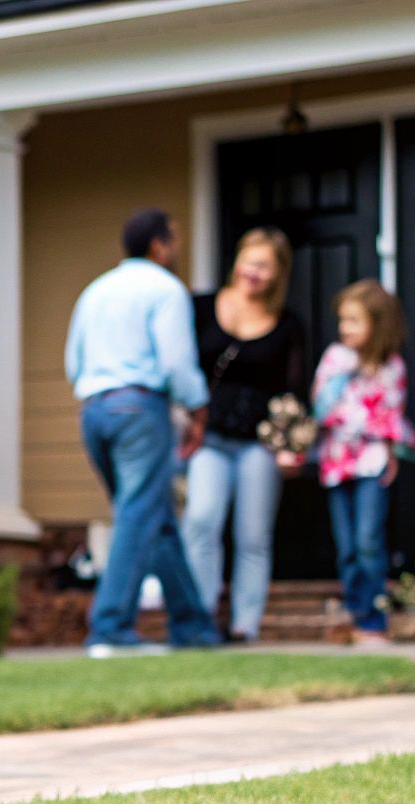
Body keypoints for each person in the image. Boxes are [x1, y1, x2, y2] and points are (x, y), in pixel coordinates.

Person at [65, 208, 224, 656]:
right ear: (159, 245)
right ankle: (110, 627)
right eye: (174, 238)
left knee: (154, 516)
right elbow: (176, 362)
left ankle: (192, 625)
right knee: (138, 514)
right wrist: (197, 408)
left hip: (94, 410)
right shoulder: (165, 289)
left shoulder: (95, 291)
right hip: (139, 408)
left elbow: (74, 361)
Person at [183, 227, 309, 643]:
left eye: (264, 266)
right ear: (236, 260)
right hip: (209, 438)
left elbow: (293, 392)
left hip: (258, 445)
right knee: (202, 520)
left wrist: (290, 447)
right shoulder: (201, 308)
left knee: (253, 536)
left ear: (278, 274)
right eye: (249, 261)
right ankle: (200, 618)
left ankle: (244, 625)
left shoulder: (287, 325)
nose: (254, 272)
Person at [311, 279, 415, 645]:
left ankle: (374, 621)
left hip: (372, 463)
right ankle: (357, 612)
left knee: (368, 541)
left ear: (378, 324)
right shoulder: (335, 360)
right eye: (342, 320)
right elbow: (322, 409)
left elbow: (391, 416)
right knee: (346, 547)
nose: (345, 328)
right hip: (336, 463)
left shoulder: (392, 368)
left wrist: (390, 451)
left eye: (354, 321)